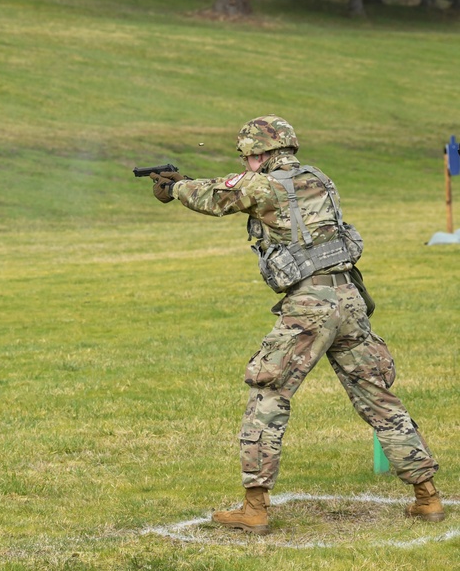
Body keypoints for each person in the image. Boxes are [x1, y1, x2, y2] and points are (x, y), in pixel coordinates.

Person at [149, 115, 444, 535]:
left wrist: (175, 187)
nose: (247, 162)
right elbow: (240, 191)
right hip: (349, 299)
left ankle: (254, 507)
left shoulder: (262, 183)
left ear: (262, 153)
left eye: (249, 155)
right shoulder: (318, 178)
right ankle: (427, 497)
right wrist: (195, 182)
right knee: (378, 397)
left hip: (310, 304)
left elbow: (218, 198)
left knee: (268, 392)